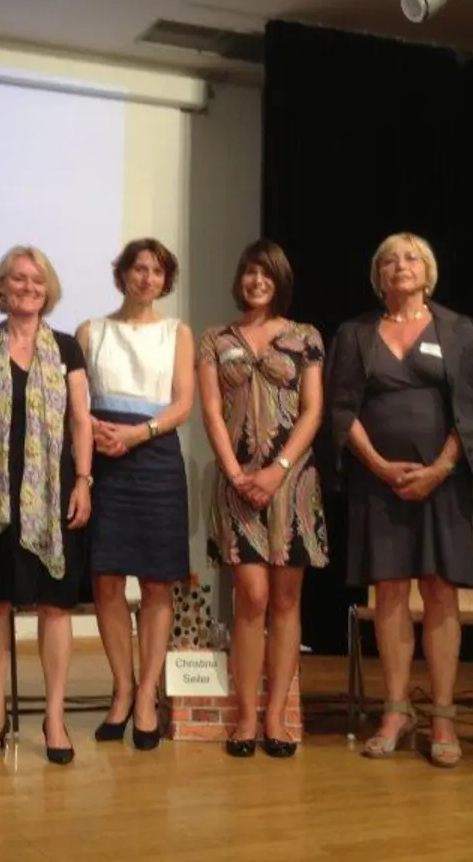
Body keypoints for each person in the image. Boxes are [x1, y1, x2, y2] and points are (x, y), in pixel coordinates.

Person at [325, 232, 473, 767]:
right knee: (390, 594)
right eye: (390, 260)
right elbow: (340, 410)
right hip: (379, 482)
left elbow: (471, 409)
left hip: (441, 481)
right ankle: (396, 712)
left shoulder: (460, 330)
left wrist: (441, 468)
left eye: (412, 256)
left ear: (429, 270)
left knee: (441, 593)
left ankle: (442, 715)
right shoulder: (355, 334)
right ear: (378, 276)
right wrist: (376, 464)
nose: (401, 265)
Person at [197, 240, 327, 759]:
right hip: (237, 482)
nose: (256, 281)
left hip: (292, 483)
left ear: (280, 281)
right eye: (249, 272)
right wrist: (235, 472)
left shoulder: (305, 336)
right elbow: (209, 409)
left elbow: (314, 411)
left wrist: (277, 470)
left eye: (266, 274)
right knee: (250, 598)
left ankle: (277, 715)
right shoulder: (214, 338)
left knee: (287, 600)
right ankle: (245, 715)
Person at [0, 246, 93, 767]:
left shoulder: (66, 349)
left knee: (54, 605)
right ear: (1, 287)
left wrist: (84, 480)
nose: (26, 287)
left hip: (52, 493)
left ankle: (55, 717)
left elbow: (82, 421)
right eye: (16, 279)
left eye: (35, 280)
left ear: (48, 290)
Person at [79, 237, 196, 752]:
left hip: (155, 458)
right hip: (103, 458)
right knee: (106, 579)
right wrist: (99, 434)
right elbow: (75, 399)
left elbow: (183, 403)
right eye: (138, 268)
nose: (146, 278)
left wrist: (137, 434)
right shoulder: (92, 331)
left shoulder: (178, 333)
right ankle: (121, 691)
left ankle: (148, 696)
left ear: (165, 280)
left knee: (156, 583)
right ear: (122, 274)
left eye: (156, 271)